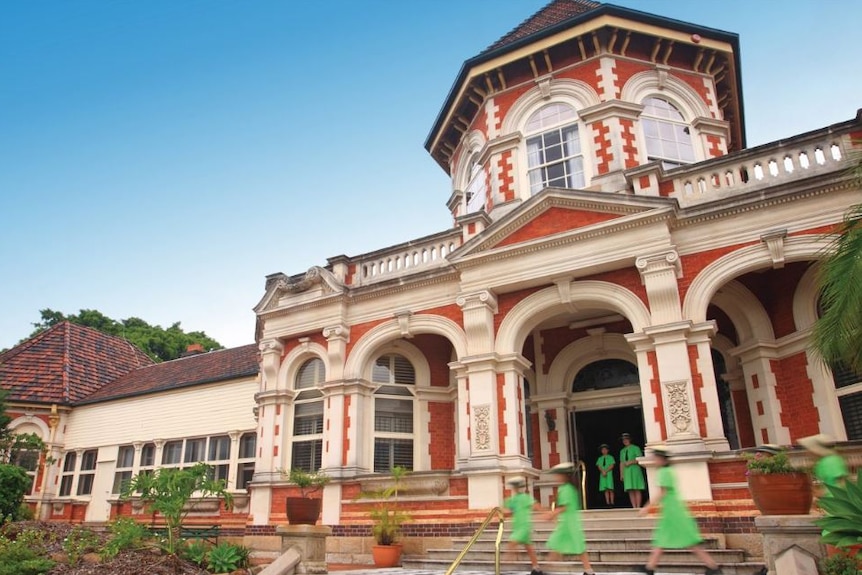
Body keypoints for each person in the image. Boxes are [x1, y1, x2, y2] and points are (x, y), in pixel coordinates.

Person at [638, 446, 722, 575]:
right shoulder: (669, 471)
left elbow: (662, 492)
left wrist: (647, 507)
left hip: (672, 510)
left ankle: (650, 567)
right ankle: (650, 567)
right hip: (673, 508)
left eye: (656, 458)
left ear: (661, 459)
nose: (654, 460)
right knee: (670, 538)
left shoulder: (663, 472)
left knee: (671, 538)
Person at [545, 462, 595, 575]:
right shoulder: (566, 488)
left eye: (558, 475)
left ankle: (588, 570)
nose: (556, 477)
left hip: (569, 521)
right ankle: (548, 567)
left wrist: (551, 514)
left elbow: (564, 507)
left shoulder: (566, 489)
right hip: (568, 520)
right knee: (558, 542)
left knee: (575, 544)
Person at [503, 476, 543, 575]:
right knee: (529, 547)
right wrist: (501, 512)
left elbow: (536, 506)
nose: (515, 489)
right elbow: (509, 511)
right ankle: (536, 567)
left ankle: (506, 563)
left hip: (524, 526)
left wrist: (545, 514)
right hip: (518, 526)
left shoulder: (525, 497)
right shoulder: (512, 499)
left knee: (512, 542)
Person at [619, 433, 645, 508]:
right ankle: (634, 506)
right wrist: (621, 474)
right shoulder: (622, 451)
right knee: (630, 489)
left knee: (636, 488)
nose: (625, 441)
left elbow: (639, 459)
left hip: (635, 470)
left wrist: (631, 462)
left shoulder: (635, 448)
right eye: (623, 440)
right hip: (626, 471)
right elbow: (621, 462)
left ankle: (638, 506)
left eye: (626, 439)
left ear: (630, 440)